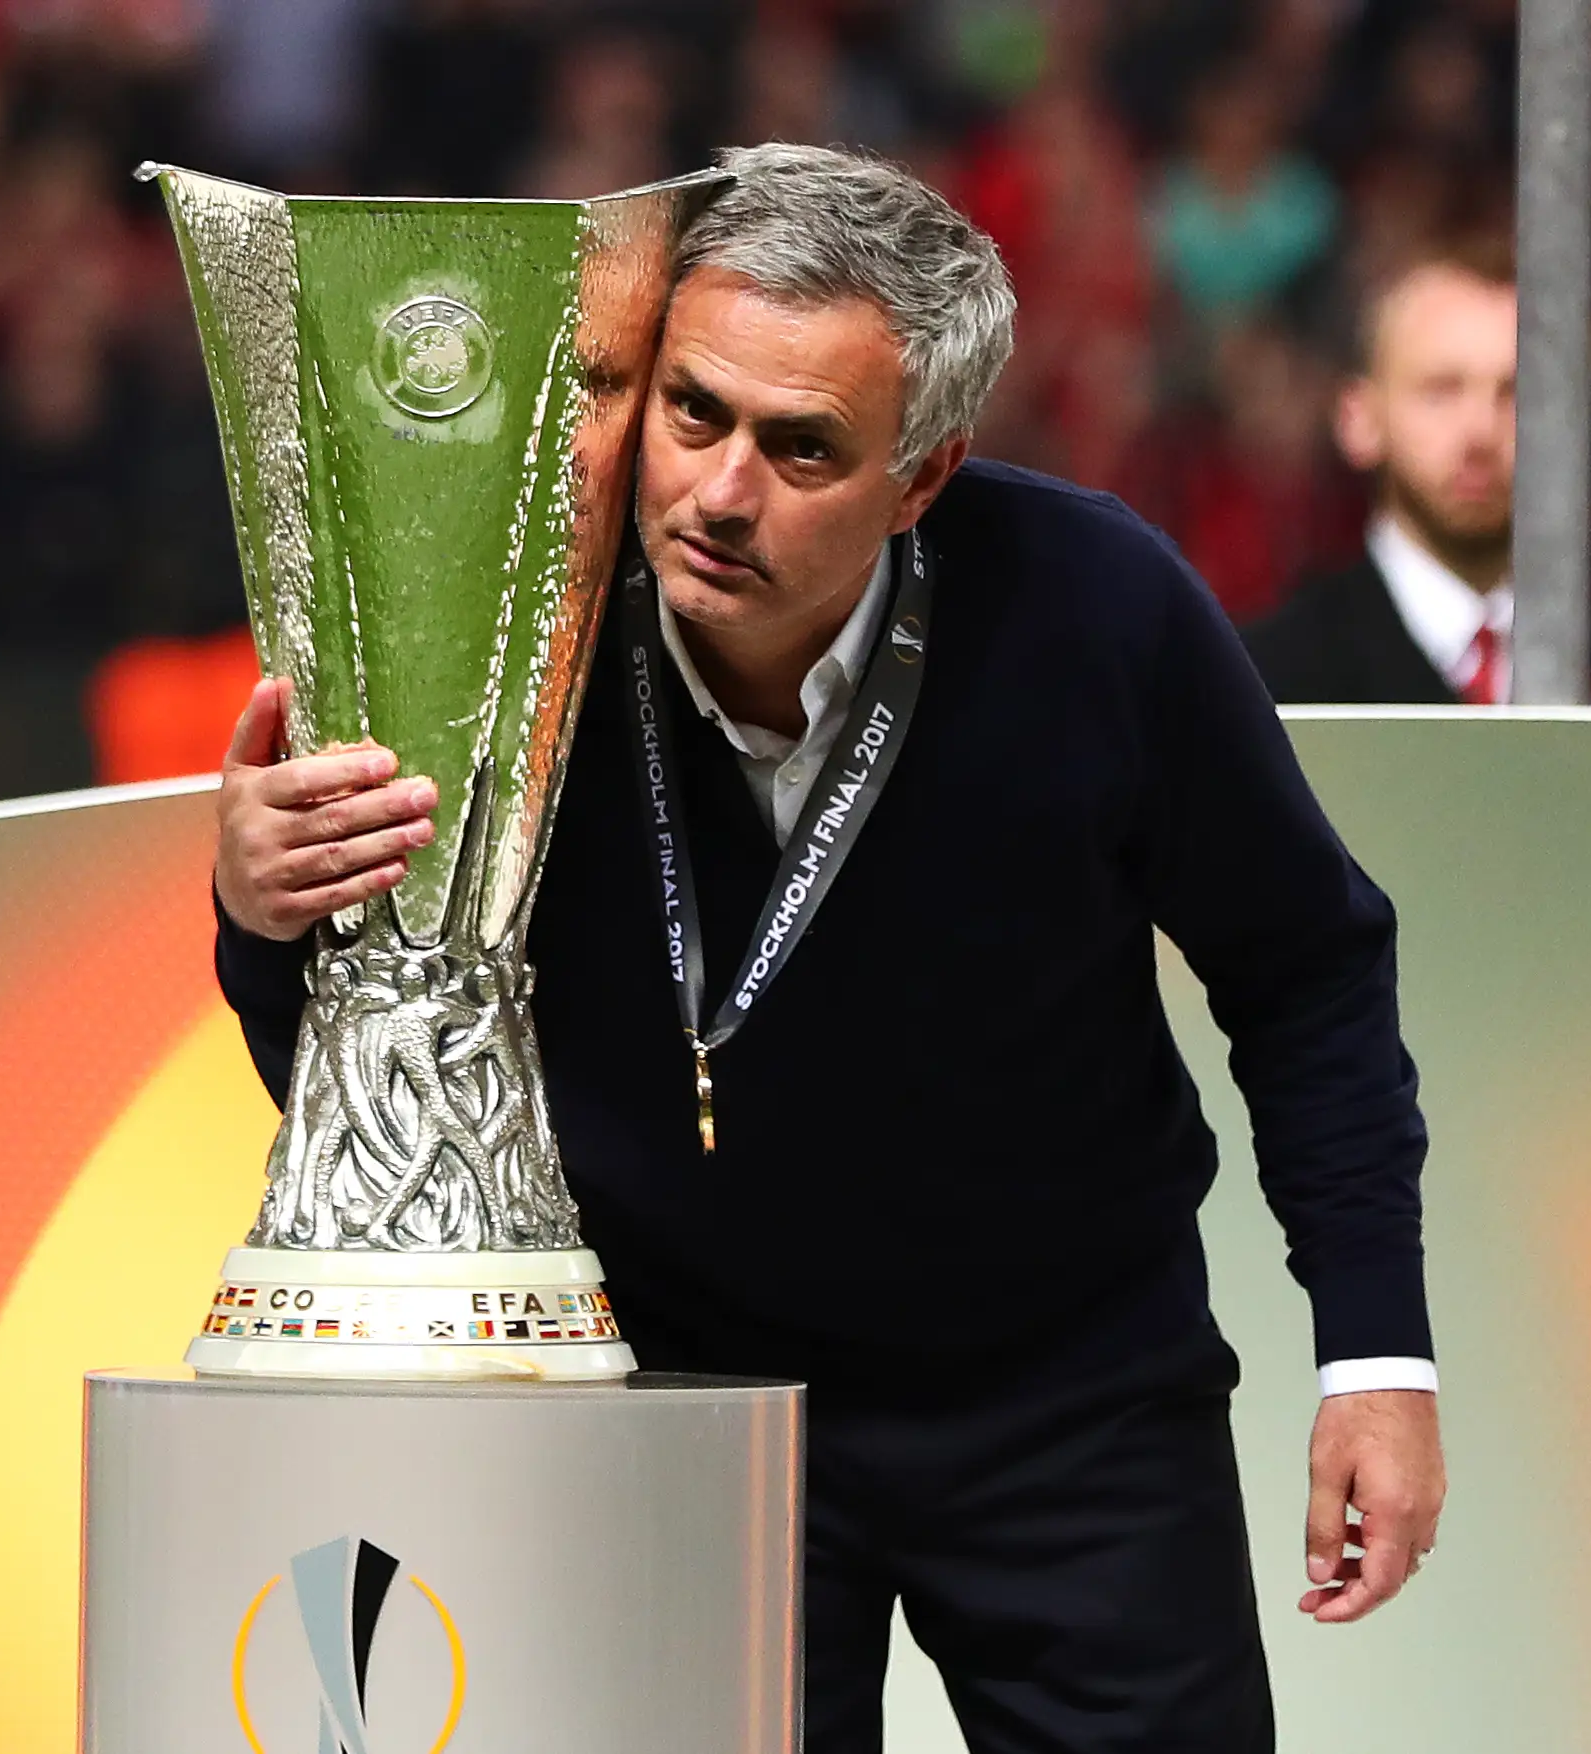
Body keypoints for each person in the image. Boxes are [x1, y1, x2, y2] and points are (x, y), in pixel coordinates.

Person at [212, 145, 1445, 1753]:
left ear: (921, 476)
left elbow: (1305, 971)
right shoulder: (506, 620)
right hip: (683, 1402)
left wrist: (1374, 1354)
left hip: (1068, 1394)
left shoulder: (1098, 609)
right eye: (692, 411)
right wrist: (259, 909)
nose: (721, 492)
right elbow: (369, 1060)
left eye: (803, 449)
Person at [1244, 243, 1517, 705]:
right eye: (1441, 390)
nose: (1482, 431)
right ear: (1360, 418)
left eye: (1517, 392)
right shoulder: (1264, 680)